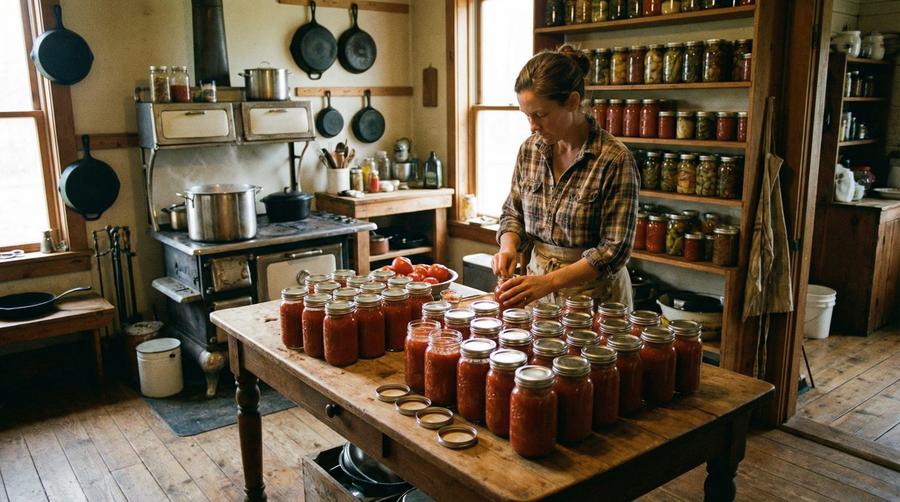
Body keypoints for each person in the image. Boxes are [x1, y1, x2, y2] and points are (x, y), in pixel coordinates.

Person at [493, 44, 639, 309]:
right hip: (537, 291)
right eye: (527, 116)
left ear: (572, 102)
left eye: (540, 115)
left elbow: (613, 251)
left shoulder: (614, 159)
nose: (533, 126)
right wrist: (508, 247)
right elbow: (512, 214)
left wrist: (549, 282)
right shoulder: (530, 150)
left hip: (595, 299)